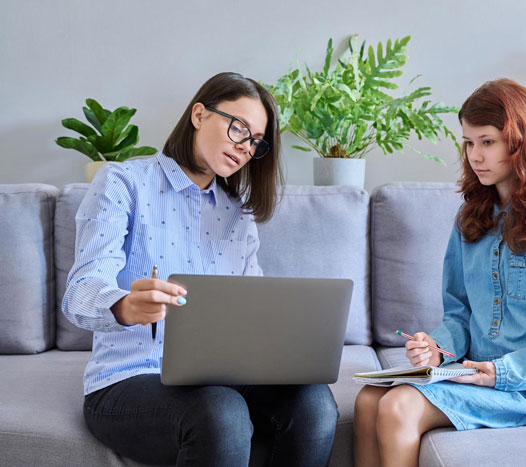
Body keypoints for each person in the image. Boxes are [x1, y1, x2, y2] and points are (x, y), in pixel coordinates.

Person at [62, 72, 338, 466]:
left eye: (256, 142)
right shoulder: (123, 182)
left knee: (314, 402)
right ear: (199, 115)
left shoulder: (236, 214)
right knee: (221, 411)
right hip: (128, 379)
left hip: (222, 378)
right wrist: (123, 305)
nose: (246, 148)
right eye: (239, 129)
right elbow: (80, 292)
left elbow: (253, 310)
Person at [353, 78, 526, 467]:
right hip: (472, 374)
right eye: (469, 143)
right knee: (369, 399)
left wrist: (502, 372)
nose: (475, 155)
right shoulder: (470, 219)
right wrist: (435, 349)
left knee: (399, 407)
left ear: (520, 140)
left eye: (487, 142)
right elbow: (460, 316)